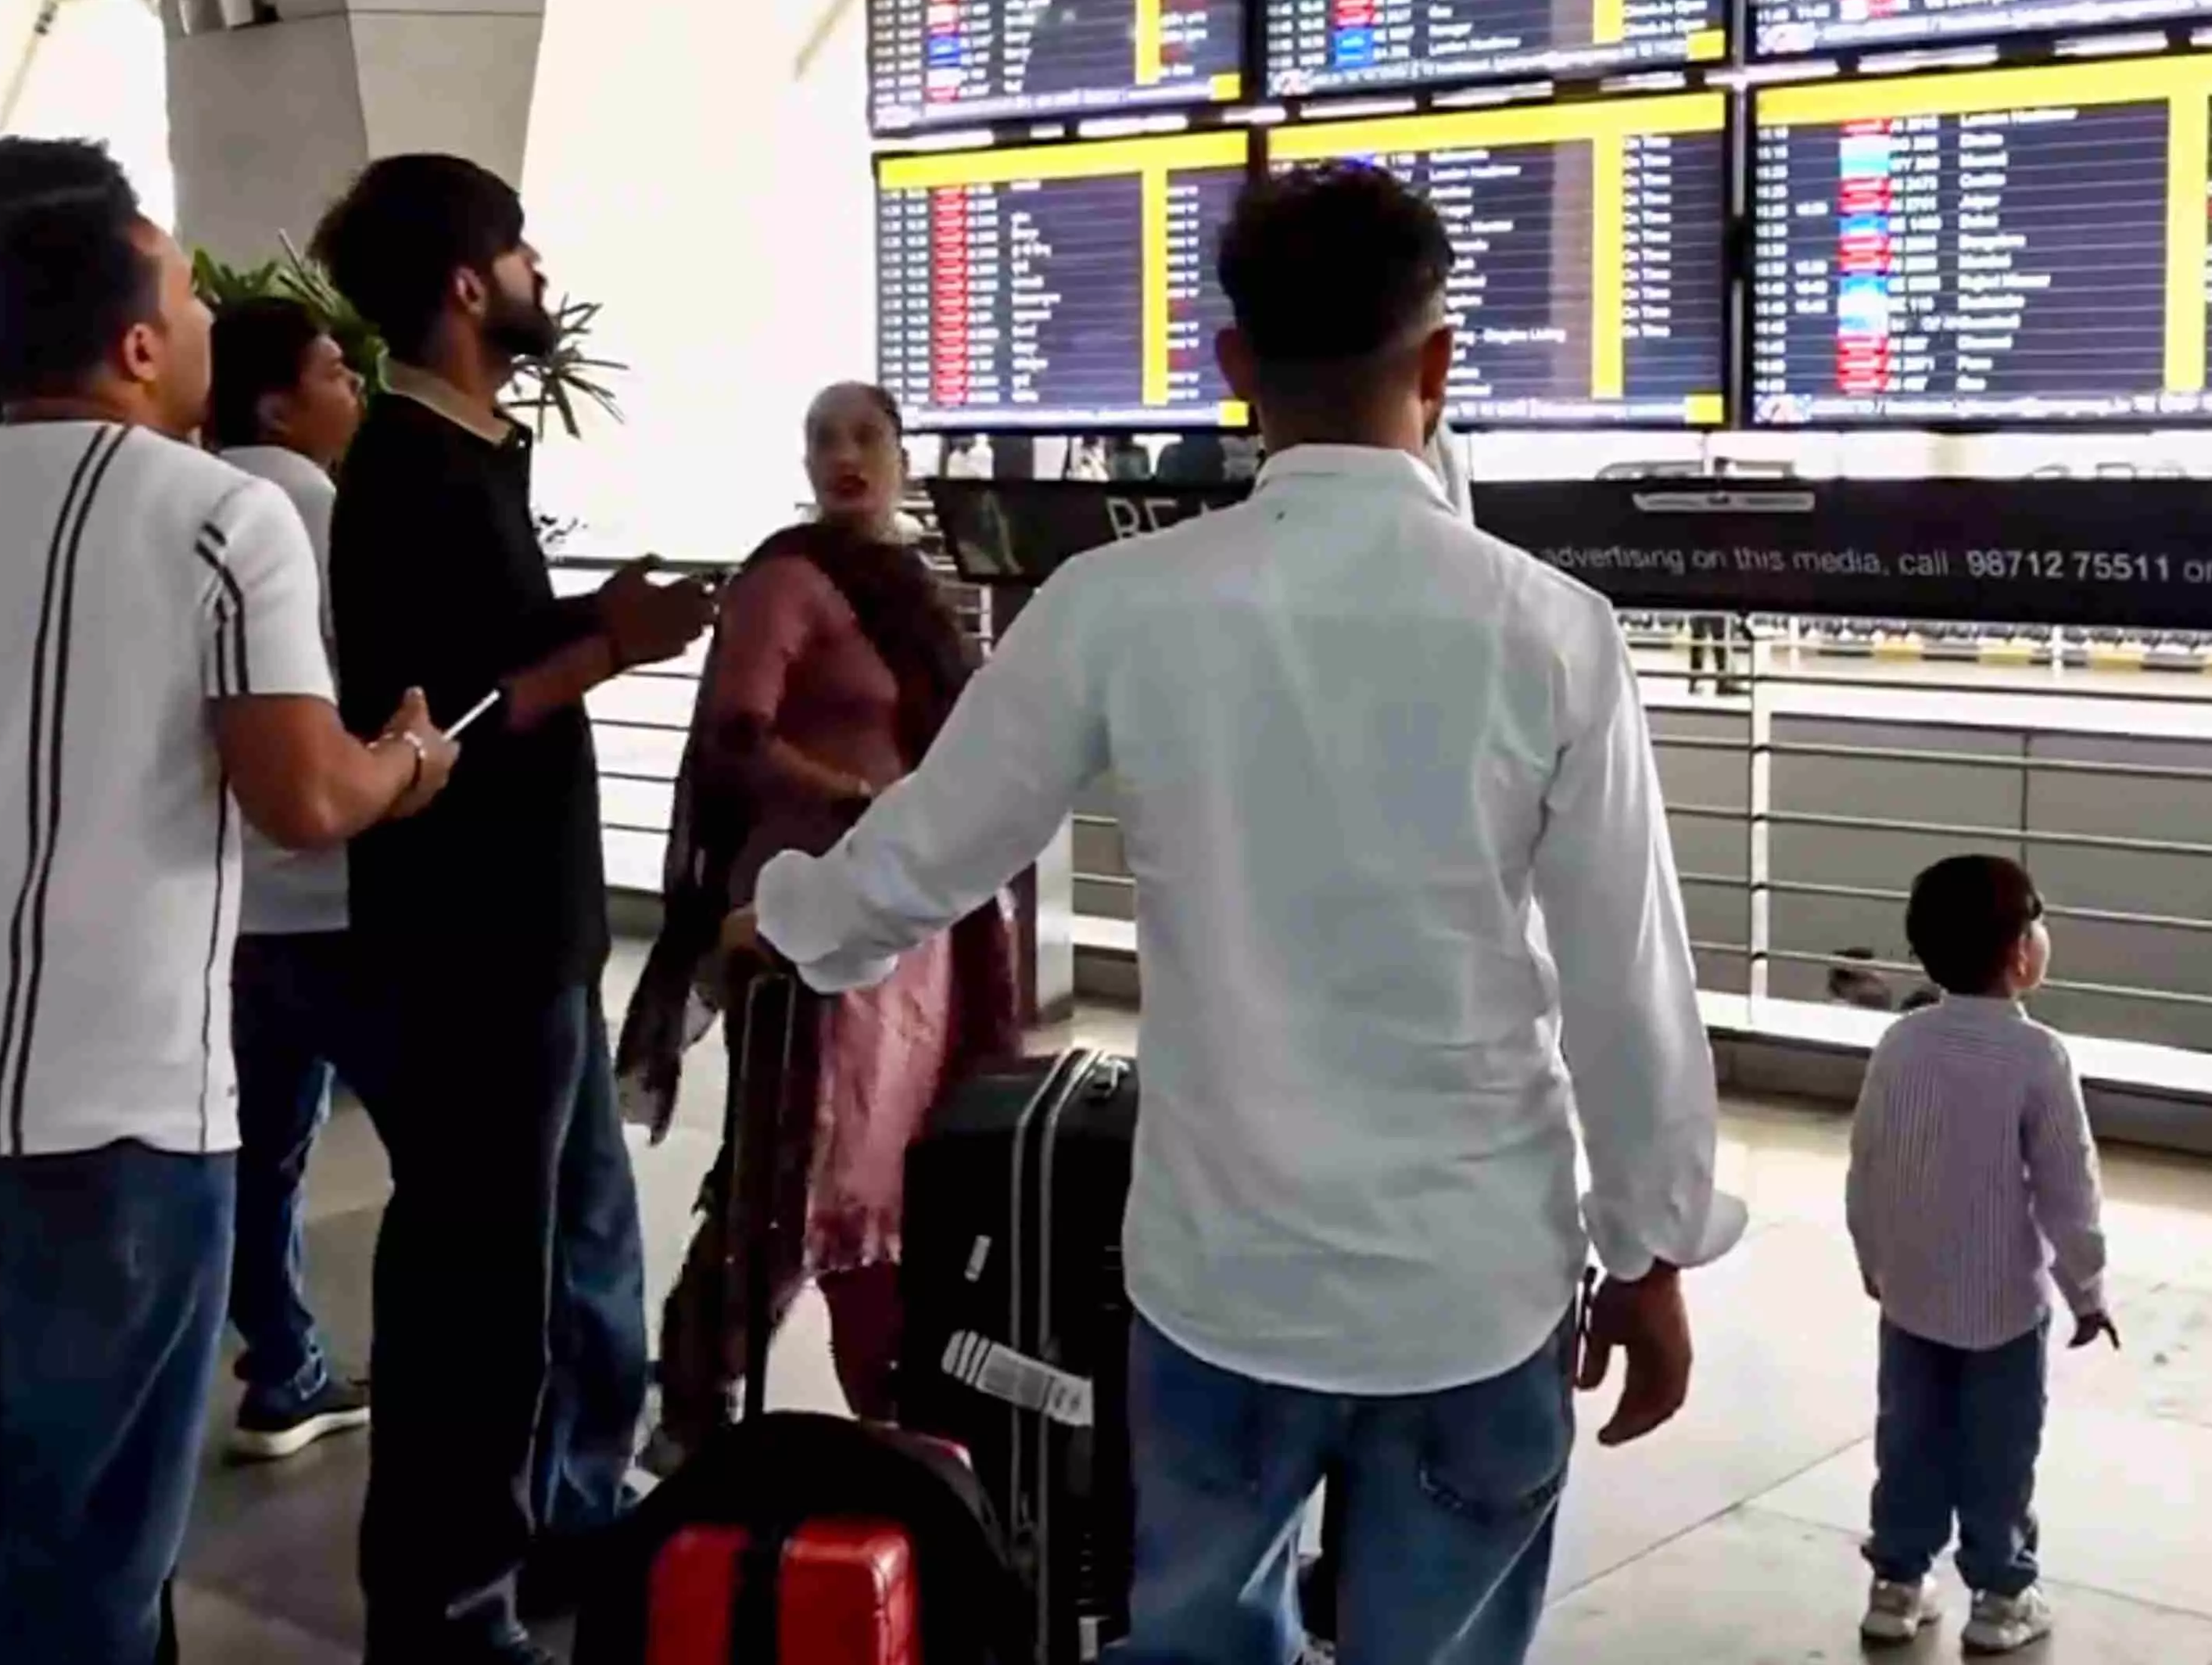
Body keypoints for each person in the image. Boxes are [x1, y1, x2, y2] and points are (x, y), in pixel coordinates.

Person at [732, 163, 1742, 1665]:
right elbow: (1626, 989)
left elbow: (921, 859)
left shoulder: (1118, 605)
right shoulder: (1551, 629)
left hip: (1220, 1283)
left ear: (1234, 373)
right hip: (1474, 1287)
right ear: (1440, 365)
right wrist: (1651, 1252)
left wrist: (792, 915)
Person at [0, 137, 457, 1665]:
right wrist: (406, 757)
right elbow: (299, 796)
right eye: (193, 298)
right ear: (139, 345)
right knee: (85, 1538)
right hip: (123, 1116)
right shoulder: (218, 520)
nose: (215, 321)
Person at [316, 153, 717, 1663]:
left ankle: (558, 1521)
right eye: (523, 250)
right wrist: (608, 644)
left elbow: (492, 646)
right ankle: (444, 1608)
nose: (546, 272)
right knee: (475, 1292)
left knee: (568, 1259)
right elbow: (441, 714)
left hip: (534, 938)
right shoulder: (405, 466)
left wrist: (585, 627)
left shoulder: (474, 449)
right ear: (472, 282)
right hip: (465, 943)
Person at [620, 380, 1019, 1445]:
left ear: (899, 451)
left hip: (910, 921)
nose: (843, 454)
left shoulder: (916, 584)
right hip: (799, 920)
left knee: (894, 1163)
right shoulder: (788, 580)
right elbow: (733, 736)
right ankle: (697, 1398)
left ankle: (894, 1410)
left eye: (865, 435)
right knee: (797, 1162)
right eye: (821, 437)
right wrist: (862, 800)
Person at [1845, 855, 2119, 1656]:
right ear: (2021, 953)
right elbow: (2068, 1185)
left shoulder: (1898, 1044)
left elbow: (1869, 1160)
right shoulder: (2038, 1057)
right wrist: (2087, 1285)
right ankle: (2000, 1594)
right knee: (1999, 1449)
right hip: (2003, 1302)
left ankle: (1895, 1583)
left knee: (1908, 1437)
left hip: (1911, 1294)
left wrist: (1873, 1254)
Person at [208, 298, 382, 1460]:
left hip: (231, 901)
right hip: (338, 891)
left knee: (257, 1155)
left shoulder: (191, 504)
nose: (353, 389)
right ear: (278, 399)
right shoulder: (315, 507)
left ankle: (284, 1367)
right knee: (463, 1153)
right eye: (334, 369)